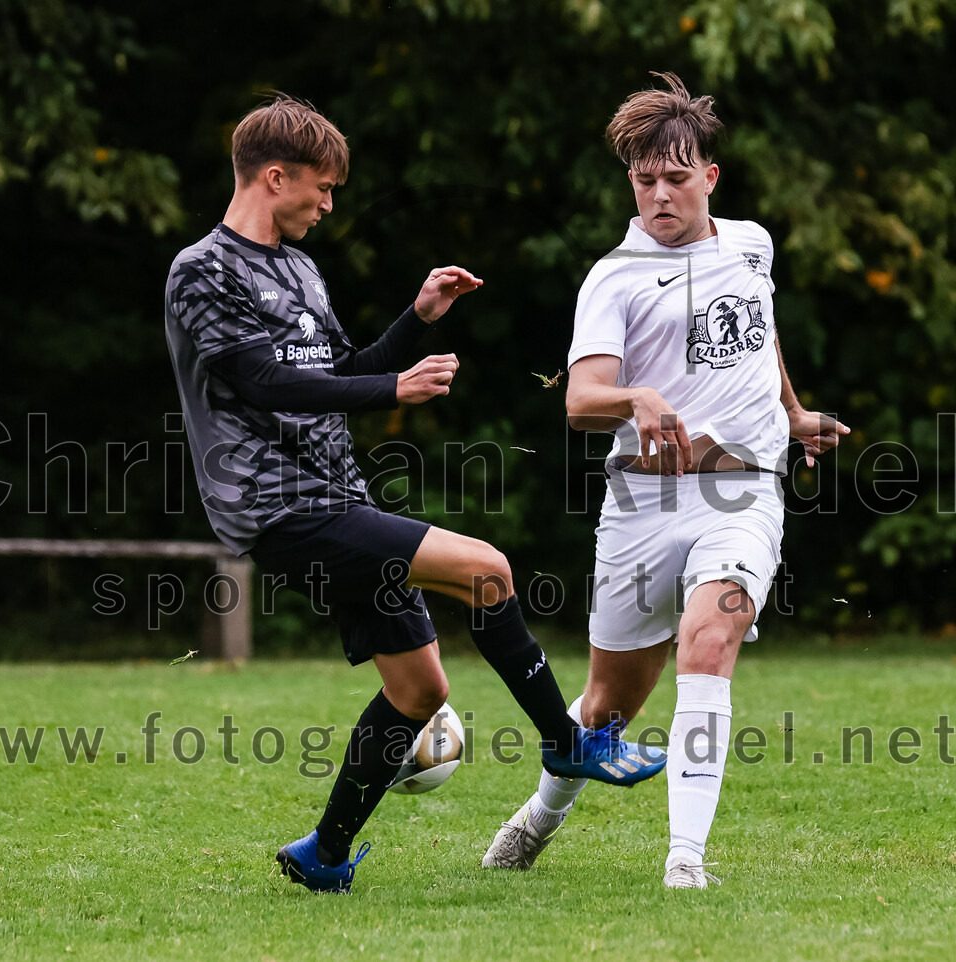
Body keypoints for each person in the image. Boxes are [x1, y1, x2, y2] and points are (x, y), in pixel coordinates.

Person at [164, 94, 666, 895]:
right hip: (275, 502)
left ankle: (323, 857)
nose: (329, 205)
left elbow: (333, 373)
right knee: (488, 569)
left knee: (418, 688)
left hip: (334, 490)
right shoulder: (202, 272)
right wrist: (394, 385)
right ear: (273, 176)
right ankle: (568, 743)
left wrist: (415, 319)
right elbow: (261, 383)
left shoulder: (299, 267)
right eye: (321, 189)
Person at [481, 73, 849, 889]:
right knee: (610, 705)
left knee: (708, 642)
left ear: (709, 177)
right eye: (643, 180)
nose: (659, 195)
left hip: (743, 491)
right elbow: (580, 401)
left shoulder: (752, 243)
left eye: (675, 178)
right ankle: (538, 818)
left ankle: (685, 861)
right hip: (643, 503)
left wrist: (790, 413)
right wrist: (637, 398)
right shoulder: (613, 276)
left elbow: (763, 333)